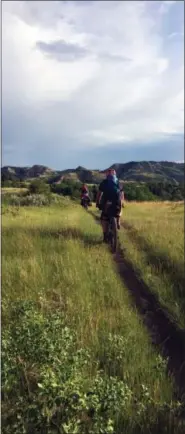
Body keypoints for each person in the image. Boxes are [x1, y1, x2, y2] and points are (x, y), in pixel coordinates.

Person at [96, 169, 122, 242]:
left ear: (107, 175)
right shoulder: (118, 182)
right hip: (117, 202)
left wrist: (97, 202)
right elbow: (121, 194)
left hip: (106, 202)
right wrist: (122, 203)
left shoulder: (104, 183)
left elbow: (99, 194)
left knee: (103, 218)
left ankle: (105, 236)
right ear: (115, 175)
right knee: (119, 209)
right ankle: (118, 220)